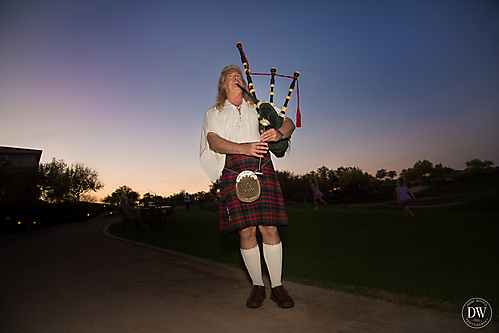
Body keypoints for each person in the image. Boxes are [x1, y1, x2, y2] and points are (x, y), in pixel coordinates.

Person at [200, 65, 296, 308]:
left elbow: (289, 123)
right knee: (245, 231)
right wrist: (244, 148)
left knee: (270, 227)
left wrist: (278, 134)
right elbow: (213, 142)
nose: (236, 79)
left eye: (238, 76)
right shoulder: (214, 112)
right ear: (223, 85)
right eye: (230, 77)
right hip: (234, 167)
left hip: (262, 165)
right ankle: (257, 286)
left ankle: (277, 286)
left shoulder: (259, 107)